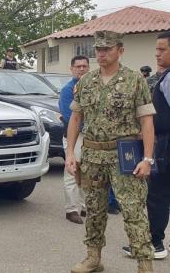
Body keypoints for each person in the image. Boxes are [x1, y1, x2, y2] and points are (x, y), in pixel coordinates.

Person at [66, 30, 156, 273]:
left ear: (120, 50)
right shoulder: (86, 81)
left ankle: (144, 264)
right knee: (94, 210)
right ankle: (93, 258)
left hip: (124, 156)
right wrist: (70, 154)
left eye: (107, 49)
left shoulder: (135, 80)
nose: (102, 53)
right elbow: (76, 118)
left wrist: (147, 159)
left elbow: (147, 121)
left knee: (133, 210)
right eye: (98, 49)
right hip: (93, 155)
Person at [123, 31, 170, 260]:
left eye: (162, 50)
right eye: (156, 50)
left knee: (158, 194)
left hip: (165, 146)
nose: (157, 54)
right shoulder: (163, 76)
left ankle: (155, 244)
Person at [59, 55, 89, 224]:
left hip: (90, 137)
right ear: (71, 69)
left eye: (84, 66)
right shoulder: (67, 90)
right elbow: (69, 116)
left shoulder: (92, 87)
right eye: (78, 66)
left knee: (86, 172)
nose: (81, 69)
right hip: (74, 137)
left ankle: (84, 206)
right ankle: (71, 209)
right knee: (72, 171)